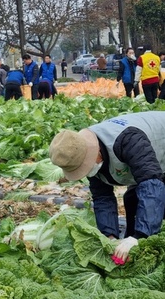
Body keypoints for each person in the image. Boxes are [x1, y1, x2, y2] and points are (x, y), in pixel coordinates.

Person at [49, 111, 165, 263]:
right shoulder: (80, 150)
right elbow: (102, 196)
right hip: (152, 165)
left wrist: (141, 236)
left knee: (156, 208)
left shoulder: (128, 140)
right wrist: (110, 236)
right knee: (132, 201)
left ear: (95, 152)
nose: (87, 171)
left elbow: (151, 183)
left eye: (85, 166)